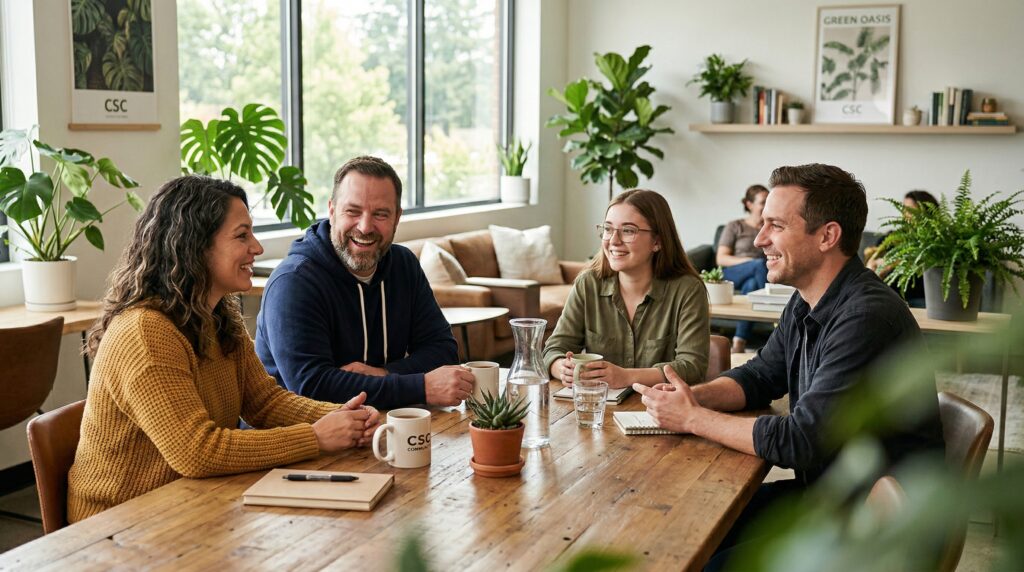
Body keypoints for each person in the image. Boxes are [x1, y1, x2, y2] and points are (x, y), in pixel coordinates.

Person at [632, 165, 945, 570]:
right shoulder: (807, 298)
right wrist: (692, 396)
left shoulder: (866, 315)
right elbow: (761, 375)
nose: (760, 240)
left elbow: (801, 440)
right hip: (831, 493)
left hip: (881, 525)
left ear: (827, 236)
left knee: (706, 560)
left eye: (775, 226)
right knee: (688, 527)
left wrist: (693, 418)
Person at [68, 176, 381, 523]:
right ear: (196, 246)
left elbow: (265, 401)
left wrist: (341, 418)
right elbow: (196, 452)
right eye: (241, 235)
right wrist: (315, 437)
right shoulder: (145, 333)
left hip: (188, 505)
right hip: (117, 526)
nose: (257, 248)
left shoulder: (215, 316)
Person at [256, 156, 471, 409]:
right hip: (295, 439)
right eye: (353, 211)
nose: (365, 226)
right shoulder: (294, 283)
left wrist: (384, 374)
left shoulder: (404, 266)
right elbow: (311, 387)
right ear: (332, 210)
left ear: (397, 218)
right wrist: (421, 386)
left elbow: (443, 350)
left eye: (380, 214)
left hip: (378, 427)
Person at [543, 189, 710, 389]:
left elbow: (692, 367)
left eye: (628, 231)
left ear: (657, 241)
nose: (613, 240)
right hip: (595, 408)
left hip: (661, 409)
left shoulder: (687, 290)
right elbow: (554, 348)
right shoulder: (588, 284)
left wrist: (627, 377)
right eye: (608, 229)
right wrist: (561, 367)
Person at [716, 184, 770, 353]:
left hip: (758, 275)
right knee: (758, 265)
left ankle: (739, 341)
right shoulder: (735, 226)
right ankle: (771, 309)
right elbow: (721, 258)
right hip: (733, 273)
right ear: (749, 204)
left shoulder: (770, 228)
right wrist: (749, 262)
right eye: (763, 202)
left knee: (752, 285)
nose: (767, 205)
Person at [865, 189, 938, 307]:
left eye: (911, 210)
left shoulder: (937, 243)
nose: (905, 214)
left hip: (916, 298)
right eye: (904, 208)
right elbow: (869, 272)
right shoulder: (889, 238)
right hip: (884, 295)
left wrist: (895, 264)